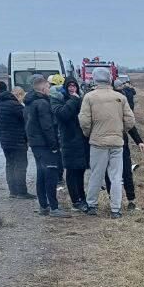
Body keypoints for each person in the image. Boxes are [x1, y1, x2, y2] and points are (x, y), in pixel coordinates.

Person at [79, 67, 135, 218]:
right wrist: (120, 131)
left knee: (96, 174)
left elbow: (84, 121)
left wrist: (89, 133)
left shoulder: (89, 97)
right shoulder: (120, 97)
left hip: (98, 142)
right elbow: (130, 120)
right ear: (110, 79)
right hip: (117, 142)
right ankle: (115, 209)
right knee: (116, 177)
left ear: (94, 80)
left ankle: (92, 204)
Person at [23, 75, 69, 217]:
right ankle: (54, 208)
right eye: (48, 87)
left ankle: (44, 205)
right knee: (51, 175)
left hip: (36, 144)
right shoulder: (42, 104)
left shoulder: (30, 102)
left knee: (41, 174)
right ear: (43, 88)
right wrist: (54, 145)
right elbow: (47, 127)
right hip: (45, 145)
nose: (49, 89)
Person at [51, 79, 89, 210]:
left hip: (82, 141)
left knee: (80, 171)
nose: (72, 88)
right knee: (72, 171)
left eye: (74, 86)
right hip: (69, 140)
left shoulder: (81, 99)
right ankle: (76, 201)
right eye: (70, 86)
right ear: (65, 88)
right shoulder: (58, 100)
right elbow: (63, 114)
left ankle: (82, 197)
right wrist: (73, 100)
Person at [110, 75, 144, 210]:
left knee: (124, 171)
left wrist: (139, 141)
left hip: (120, 142)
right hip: (110, 143)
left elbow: (130, 124)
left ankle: (130, 200)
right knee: (114, 173)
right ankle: (115, 200)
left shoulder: (122, 102)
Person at [0, 81, 34, 199]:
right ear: (19, 95)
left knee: (10, 165)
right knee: (21, 165)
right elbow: (26, 120)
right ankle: (22, 192)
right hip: (18, 141)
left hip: (5, 140)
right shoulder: (16, 106)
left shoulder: (0, 104)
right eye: (22, 96)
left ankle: (13, 191)